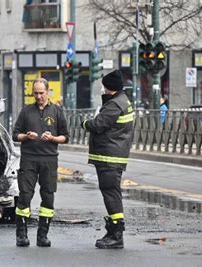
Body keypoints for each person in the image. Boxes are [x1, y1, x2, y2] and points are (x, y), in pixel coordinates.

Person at [12, 78, 69, 247]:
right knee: (25, 196)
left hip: (49, 160)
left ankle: (42, 235)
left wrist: (52, 138)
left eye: (41, 93)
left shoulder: (57, 111)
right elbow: (15, 135)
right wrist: (26, 136)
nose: (38, 96)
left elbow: (65, 137)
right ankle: (21, 235)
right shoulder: (26, 111)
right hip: (29, 159)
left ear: (48, 91)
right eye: (35, 93)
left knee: (48, 197)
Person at [81, 70, 134, 249]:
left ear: (110, 88)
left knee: (111, 192)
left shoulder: (114, 105)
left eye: (104, 86)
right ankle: (113, 231)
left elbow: (98, 124)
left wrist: (85, 123)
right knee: (111, 192)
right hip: (111, 155)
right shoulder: (121, 101)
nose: (102, 89)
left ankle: (116, 234)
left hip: (109, 156)